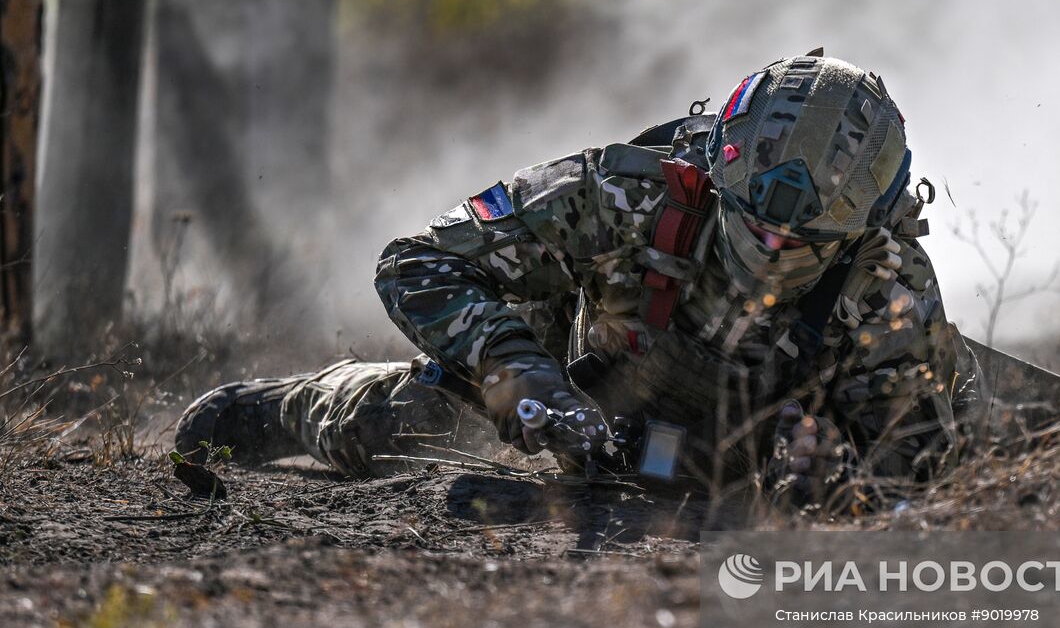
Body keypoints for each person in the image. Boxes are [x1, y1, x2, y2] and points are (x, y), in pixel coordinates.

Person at [175, 51, 981, 507]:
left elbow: (918, 471)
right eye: (754, 222)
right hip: (586, 391)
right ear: (718, 168)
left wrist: (835, 480)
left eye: (800, 239)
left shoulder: (887, 289)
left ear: (861, 227)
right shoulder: (630, 192)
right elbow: (417, 262)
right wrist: (518, 375)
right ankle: (283, 406)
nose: (770, 249)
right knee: (398, 423)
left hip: (744, 457)